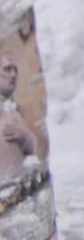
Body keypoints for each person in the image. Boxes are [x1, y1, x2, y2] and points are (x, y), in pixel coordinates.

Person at [0, 52, 39, 182]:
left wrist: (23, 135)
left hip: (15, 188)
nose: (13, 75)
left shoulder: (13, 109)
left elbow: (32, 147)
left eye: (15, 70)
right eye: (7, 69)